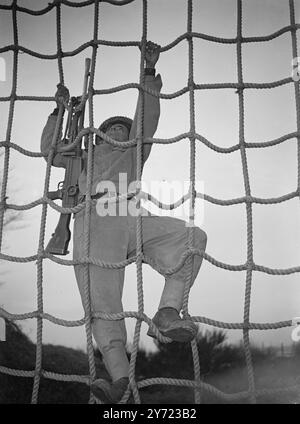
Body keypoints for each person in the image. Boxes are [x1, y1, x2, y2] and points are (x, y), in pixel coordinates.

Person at [40, 41, 207, 404]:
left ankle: (166, 312)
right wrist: (59, 112)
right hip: (92, 221)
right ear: (98, 132)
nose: (118, 130)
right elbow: (49, 151)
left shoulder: (135, 150)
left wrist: (148, 73)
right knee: (103, 307)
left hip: (129, 215)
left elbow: (146, 118)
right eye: (112, 126)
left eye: (123, 127)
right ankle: (119, 381)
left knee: (192, 236)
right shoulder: (81, 155)